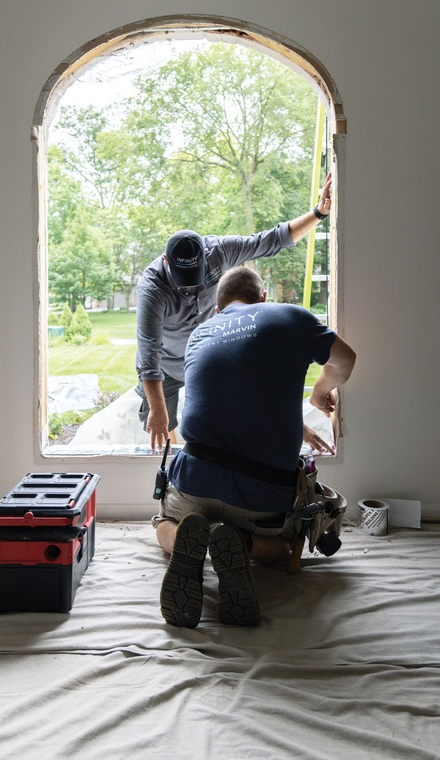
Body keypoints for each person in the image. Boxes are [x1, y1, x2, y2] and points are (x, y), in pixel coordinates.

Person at [153, 265, 356, 628]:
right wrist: (319, 392)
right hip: (261, 499)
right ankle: (241, 544)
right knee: (283, 547)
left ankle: (183, 536)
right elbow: (345, 360)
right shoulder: (290, 316)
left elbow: (228, 400)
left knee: (163, 521)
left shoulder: (199, 334)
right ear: (263, 297)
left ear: (218, 309)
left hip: (195, 481)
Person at [135, 173, 333, 450]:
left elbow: (270, 240)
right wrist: (157, 411)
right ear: (166, 262)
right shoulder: (151, 287)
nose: (191, 286)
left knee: (239, 401)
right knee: (160, 426)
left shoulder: (220, 250)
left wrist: (319, 213)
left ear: (206, 254)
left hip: (207, 354)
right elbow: (148, 353)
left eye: (197, 275)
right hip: (166, 365)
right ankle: (174, 470)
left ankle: (295, 431)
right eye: (183, 278)